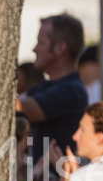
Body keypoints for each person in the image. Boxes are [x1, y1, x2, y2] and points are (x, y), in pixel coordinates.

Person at [17, 13, 88, 163]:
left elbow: (21, 107)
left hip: (56, 176)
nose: (34, 49)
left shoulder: (71, 90)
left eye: (41, 42)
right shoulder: (47, 86)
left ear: (60, 48)